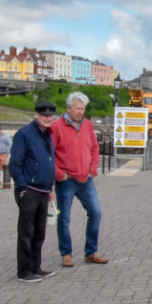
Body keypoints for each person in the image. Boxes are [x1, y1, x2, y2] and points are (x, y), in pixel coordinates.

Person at [51, 92, 108, 267]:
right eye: (77, 108)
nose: (80, 112)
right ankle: (66, 254)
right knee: (64, 218)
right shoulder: (56, 127)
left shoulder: (88, 125)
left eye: (82, 109)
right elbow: (48, 155)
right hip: (66, 180)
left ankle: (91, 252)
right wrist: (60, 174)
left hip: (86, 179)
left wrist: (92, 169)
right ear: (68, 108)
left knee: (96, 212)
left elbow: (94, 148)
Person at [9, 101, 58, 283]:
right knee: (26, 232)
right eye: (44, 115)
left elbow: (48, 162)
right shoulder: (24, 134)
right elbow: (15, 163)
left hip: (43, 190)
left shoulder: (47, 134)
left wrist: (50, 188)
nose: (48, 118)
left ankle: (36, 266)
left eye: (50, 115)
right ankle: (24, 271)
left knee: (39, 232)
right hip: (29, 190)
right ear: (36, 115)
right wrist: (22, 188)